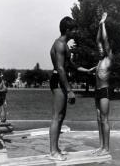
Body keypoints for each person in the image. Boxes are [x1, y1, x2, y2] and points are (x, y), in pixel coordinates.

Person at [49, 16, 95, 161]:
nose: (75, 32)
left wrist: (87, 70)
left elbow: (72, 66)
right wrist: (69, 90)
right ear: (67, 30)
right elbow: (61, 69)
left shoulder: (65, 45)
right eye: (74, 29)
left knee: (61, 116)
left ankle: (55, 148)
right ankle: (53, 152)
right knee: (57, 116)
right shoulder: (60, 45)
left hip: (60, 80)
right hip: (58, 81)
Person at [93, 12, 113, 156]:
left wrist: (103, 24)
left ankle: (106, 148)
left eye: (102, 49)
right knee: (99, 118)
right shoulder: (99, 61)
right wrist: (99, 27)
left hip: (104, 91)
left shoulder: (108, 59)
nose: (100, 49)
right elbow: (98, 40)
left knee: (105, 119)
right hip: (97, 91)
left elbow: (104, 40)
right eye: (98, 49)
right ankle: (101, 146)